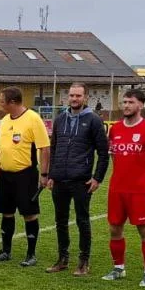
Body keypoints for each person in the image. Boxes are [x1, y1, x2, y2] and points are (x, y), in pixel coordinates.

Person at [45, 82, 109, 275]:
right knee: (60, 221)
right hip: (59, 180)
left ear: (85, 98)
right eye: (72, 95)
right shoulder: (60, 119)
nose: (74, 99)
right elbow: (54, 148)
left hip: (81, 180)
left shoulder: (94, 120)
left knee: (82, 220)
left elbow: (103, 153)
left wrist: (97, 178)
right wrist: (50, 175)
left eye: (78, 96)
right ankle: (62, 258)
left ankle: (83, 261)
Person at [102, 88, 145, 286]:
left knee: (144, 229)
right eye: (124, 102)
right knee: (114, 228)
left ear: (140, 105)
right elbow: (114, 157)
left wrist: (142, 178)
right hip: (117, 188)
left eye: (130, 102)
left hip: (139, 189)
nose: (126, 106)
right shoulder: (115, 129)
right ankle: (118, 268)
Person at [0, 86, 51, 266]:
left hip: (26, 175)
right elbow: (1, 148)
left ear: (13, 102)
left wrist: (44, 174)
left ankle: (31, 254)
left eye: (2, 101)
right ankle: (5, 251)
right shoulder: (4, 120)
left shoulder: (33, 119)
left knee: (29, 214)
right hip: (5, 175)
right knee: (6, 212)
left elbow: (44, 148)